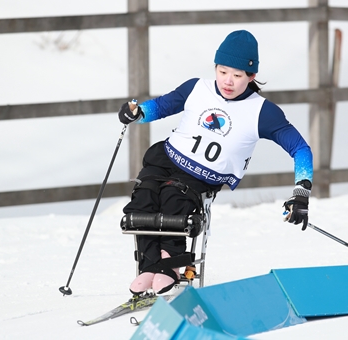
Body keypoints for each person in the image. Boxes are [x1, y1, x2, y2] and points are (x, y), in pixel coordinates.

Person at [117, 30, 313, 295]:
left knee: (174, 199)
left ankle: (169, 266)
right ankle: (148, 266)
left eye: (237, 75)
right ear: (216, 68)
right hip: (166, 157)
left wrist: (301, 193)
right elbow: (162, 106)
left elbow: (300, 148)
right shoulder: (197, 87)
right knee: (144, 200)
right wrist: (137, 113)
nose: (228, 81)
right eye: (222, 72)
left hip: (197, 178)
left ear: (252, 76)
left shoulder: (262, 112)